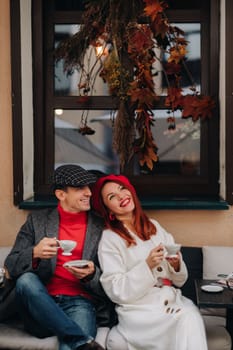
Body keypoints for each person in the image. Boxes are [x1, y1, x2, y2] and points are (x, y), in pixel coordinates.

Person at [91, 174, 208, 350]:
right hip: (140, 311)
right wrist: (147, 265)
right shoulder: (110, 238)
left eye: (122, 188)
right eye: (112, 197)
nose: (121, 196)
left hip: (172, 299)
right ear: (108, 210)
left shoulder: (154, 226)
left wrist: (176, 265)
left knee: (190, 315)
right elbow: (115, 290)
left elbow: (179, 281)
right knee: (187, 319)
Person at [4, 164, 114, 350]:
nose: (88, 193)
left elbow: (111, 279)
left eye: (89, 187)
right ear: (61, 195)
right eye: (80, 188)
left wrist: (91, 275)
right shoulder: (36, 221)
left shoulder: (100, 226)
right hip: (40, 303)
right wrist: (34, 253)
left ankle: (77, 340)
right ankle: (81, 339)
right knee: (26, 280)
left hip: (80, 302)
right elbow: (11, 265)